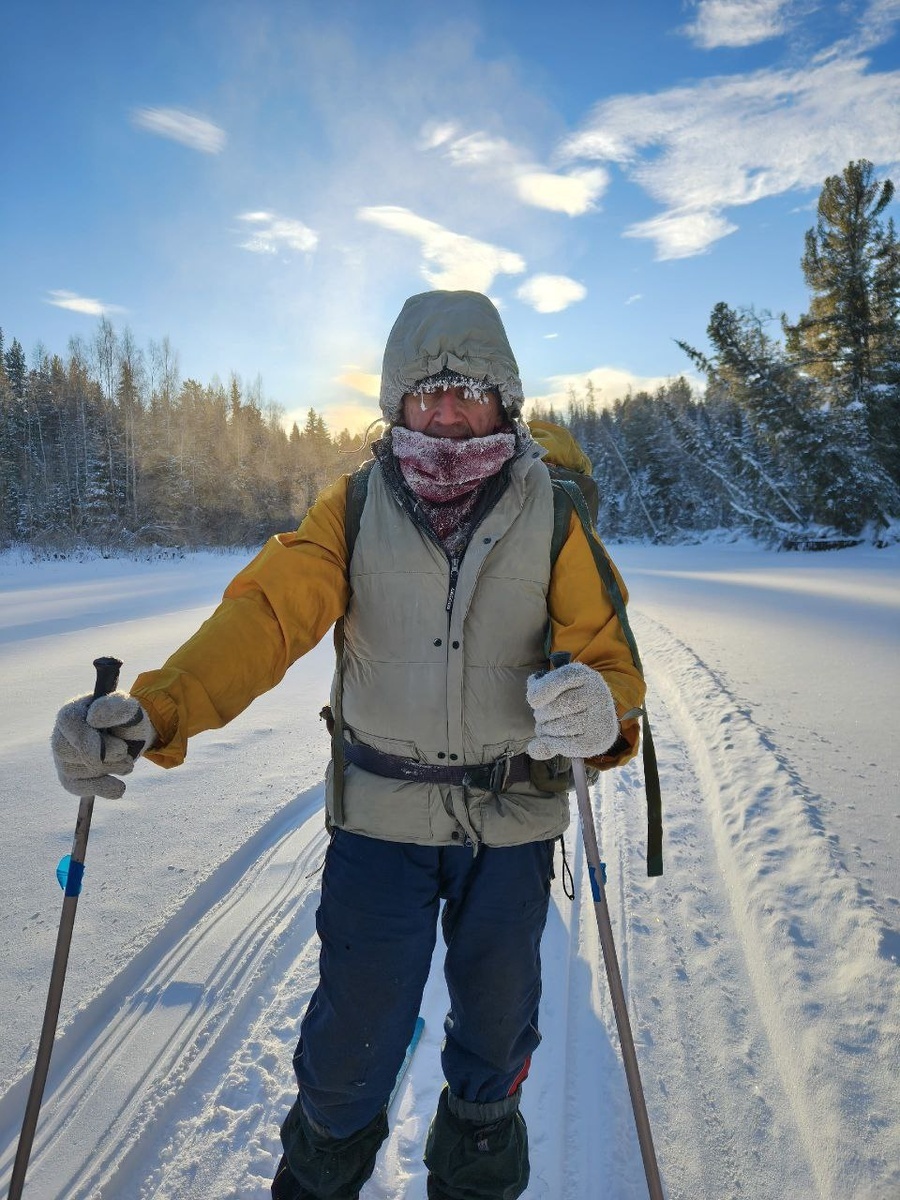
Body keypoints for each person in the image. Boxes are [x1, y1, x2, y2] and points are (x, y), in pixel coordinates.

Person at [51, 289, 645, 1200]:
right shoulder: (356, 504)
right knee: (348, 1052)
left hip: (514, 823)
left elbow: (608, 659)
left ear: (505, 400)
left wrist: (603, 713)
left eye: (469, 389)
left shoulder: (551, 511)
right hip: (379, 823)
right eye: (426, 389)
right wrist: (156, 712)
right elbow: (266, 615)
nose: (446, 410)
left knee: (495, 1044)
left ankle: (475, 1178)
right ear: (396, 399)